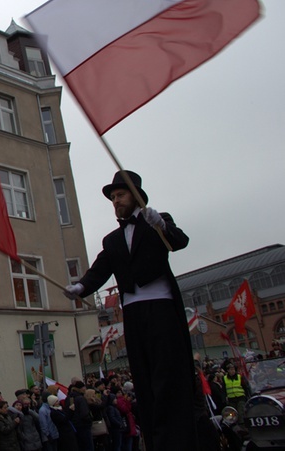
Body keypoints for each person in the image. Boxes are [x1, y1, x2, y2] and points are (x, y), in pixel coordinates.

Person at [64, 170, 197, 451]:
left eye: (120, 195)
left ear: (135, 196)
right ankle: (156, 440)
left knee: (167, 375)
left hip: (160, 307)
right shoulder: (112, 240)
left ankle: (178, 439)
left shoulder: (156, 223)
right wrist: (81, 288)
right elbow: (100, 269)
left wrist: (161, 224)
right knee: (144, 377)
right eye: (112, 197)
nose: (115, 200)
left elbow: (180, 242)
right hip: (133, 313)